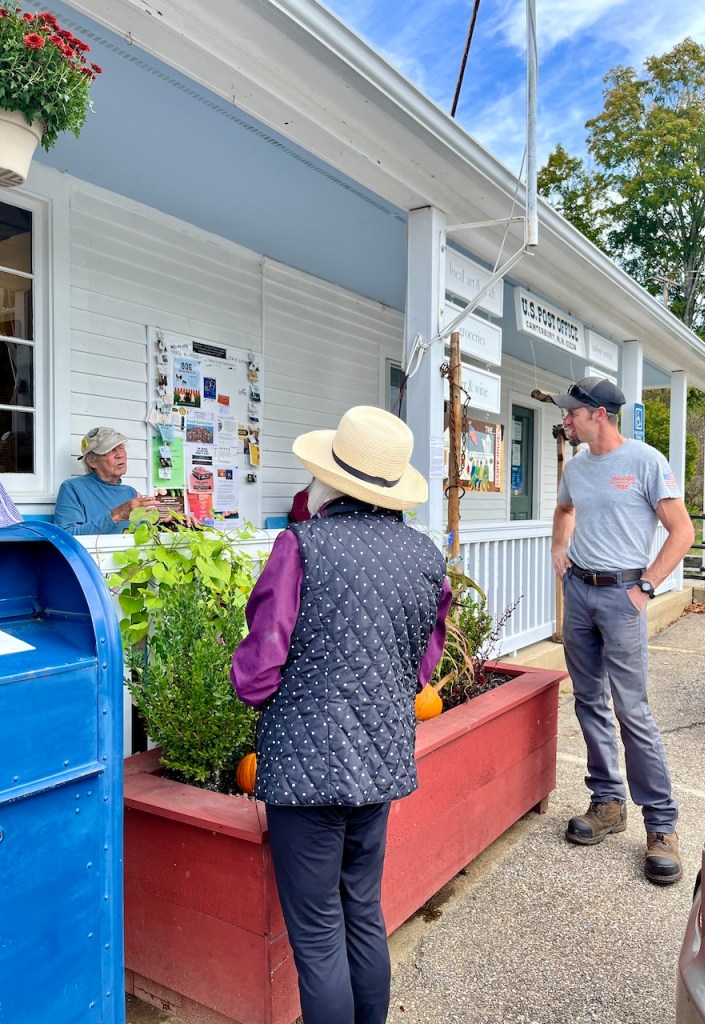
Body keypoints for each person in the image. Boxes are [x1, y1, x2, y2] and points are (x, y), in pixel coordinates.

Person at [231, 406, 451, 1024]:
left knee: (318, 934)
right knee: (362, 909)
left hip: (304, 772)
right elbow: (420, 669)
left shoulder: (301, 545)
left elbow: (256, 674)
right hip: (379, 761)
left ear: (328, 480)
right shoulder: (424, 556)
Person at [549, 377, 695, 886]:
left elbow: (683, 531)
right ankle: (607, 803)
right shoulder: (579, 468)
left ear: (599, 415)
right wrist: (558, 550)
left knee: (631, 708)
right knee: (588, 701)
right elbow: (565, 509)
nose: (566, 419)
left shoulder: (646, 462)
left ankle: (662, 826)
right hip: (581, 594)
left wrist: (647, 587)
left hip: (623, 595)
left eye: (573, 412)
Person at [54, 427, 162, 535]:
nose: (120, 455)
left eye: (121, 447)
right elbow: (67, 536)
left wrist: (160, 520)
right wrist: (118, 515)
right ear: (91, 461)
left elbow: (142, 534)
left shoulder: (130, 493)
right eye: (110, 450)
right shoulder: (73, 489)